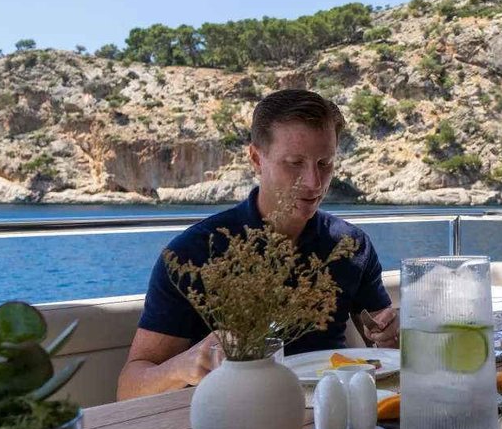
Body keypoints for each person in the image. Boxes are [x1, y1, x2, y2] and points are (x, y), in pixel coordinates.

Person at [117, 89, 398, 400]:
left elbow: (383, 347)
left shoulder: (351, 246)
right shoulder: (193, 253)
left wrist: (390, 334)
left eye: (325, 163)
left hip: (336, 413)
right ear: (256, 159)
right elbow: (128, 389)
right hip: (236, 417)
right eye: (294, 163)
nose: (313, 183)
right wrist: (184, 366)